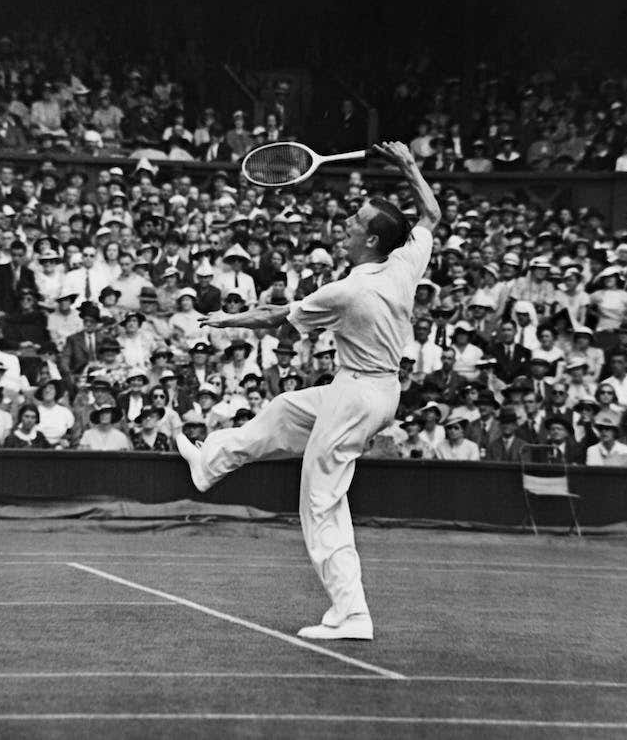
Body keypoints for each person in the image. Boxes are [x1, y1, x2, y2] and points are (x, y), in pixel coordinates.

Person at [174, 141, 439, 640]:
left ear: (374, 241)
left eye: (355, 223)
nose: (346, 226)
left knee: (320, 500)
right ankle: (211, 463)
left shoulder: (347, 291)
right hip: (373, 391)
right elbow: (431, 211)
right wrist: (407, 165)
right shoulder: (407, 263)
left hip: (357, 395)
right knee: (285, 410)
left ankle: (353, 612)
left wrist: (227, 319)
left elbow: (277, 319)